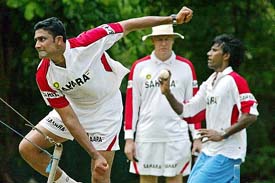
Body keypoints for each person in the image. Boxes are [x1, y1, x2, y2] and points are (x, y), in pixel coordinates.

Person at [18, 6, 193, 183]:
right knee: (28, 147)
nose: (37, 45)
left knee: (99, 174)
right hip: (74, 110)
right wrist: (93, 154)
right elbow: (69, 118)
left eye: (42, 39)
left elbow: (130, 24)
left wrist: (172, 18)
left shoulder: (89, 41)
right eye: (36, 40)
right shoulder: (43, 75)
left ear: (58, 40)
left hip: (106, 110)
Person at [159, 34, 259, 183]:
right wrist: (167, 93)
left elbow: (251, 114)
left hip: (228, 152)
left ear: (226, 55)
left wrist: (222, 134)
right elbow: (187, 110)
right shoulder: (210, 81)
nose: (208, 53)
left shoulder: (235, 80)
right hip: (210, 150)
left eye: (214, 50)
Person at [124, 24, 202, 183]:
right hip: (147, 135)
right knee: (147, 179)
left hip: (177, 136)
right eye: (159, 39)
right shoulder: (139, 67)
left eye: (167, 39)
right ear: (153, 41)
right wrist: (129, 139)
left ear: (173, 40)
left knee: (175, 179)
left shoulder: (186, 67)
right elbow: (132, 106)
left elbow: (193, 106)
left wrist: (197, 137)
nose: (163, 43)